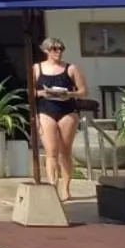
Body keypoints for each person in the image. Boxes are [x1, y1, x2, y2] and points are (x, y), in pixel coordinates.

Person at [30, 37, 87, 201]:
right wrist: (43, 93)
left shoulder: (71, 68)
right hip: (46, 110)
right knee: (51, 151)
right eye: (55, 49)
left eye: (61, 48)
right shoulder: (37, 68)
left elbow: (83, 91)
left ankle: (66, 188)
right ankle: (52, 186)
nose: (59, 52)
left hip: (67, 110)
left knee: (65, 151)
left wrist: (68, 93)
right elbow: (31, 92)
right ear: (46, 51)